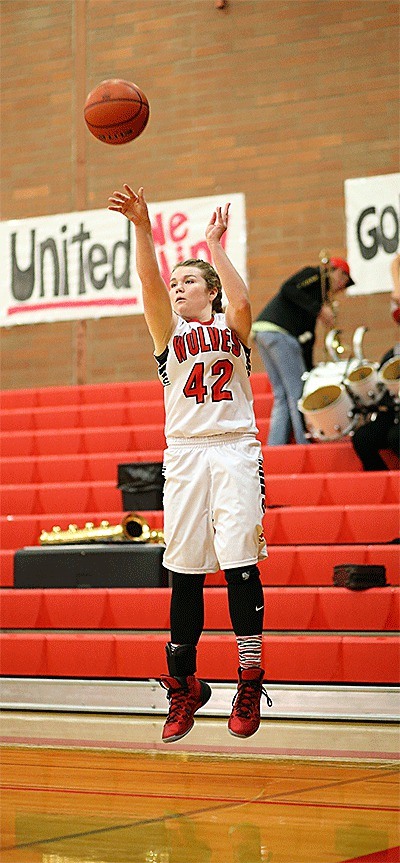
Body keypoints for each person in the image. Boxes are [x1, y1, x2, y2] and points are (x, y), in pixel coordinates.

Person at [108, 184, 270, 743]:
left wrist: (214, 245)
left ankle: (249, 679)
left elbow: (244, 303)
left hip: (233, 448)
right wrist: (142, 227)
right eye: (176, 282)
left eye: (190, 280)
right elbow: (149, 283)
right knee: (183, 573)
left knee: (240, 565)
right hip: (184, 454)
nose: (177, 287)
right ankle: (185, 684)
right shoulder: (167, 331)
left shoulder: (232, 329)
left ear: (211, 291)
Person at [252, 257, 354, 445]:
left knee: (282, 395)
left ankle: (276, 445)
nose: (341, 288)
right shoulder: (315, 276)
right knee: (296, 392)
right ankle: (303, 440)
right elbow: (288, 288)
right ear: (337, 272)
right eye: (344, 281)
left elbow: (308, 334)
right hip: (280, 332)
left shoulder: (315, 296)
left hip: (265, 332)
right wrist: (319, 309)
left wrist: (308, 369)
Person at [351, 254, 400, 471]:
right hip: (393, 412)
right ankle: (382, 480)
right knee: (363, 438)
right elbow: (380, 391)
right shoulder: (392, 353)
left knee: (395, 437)